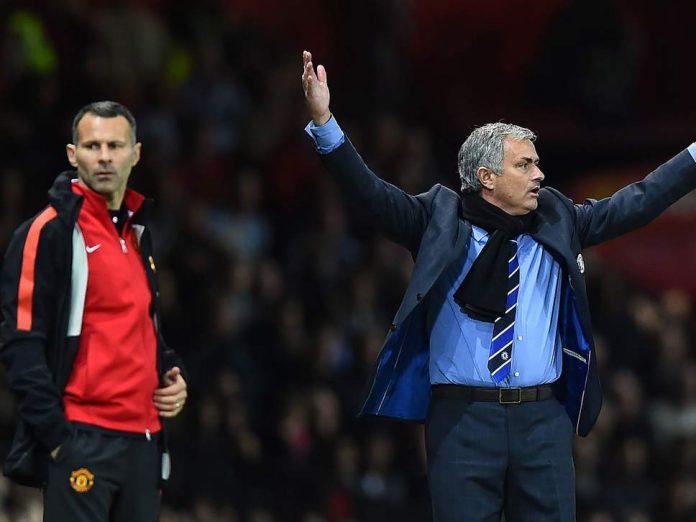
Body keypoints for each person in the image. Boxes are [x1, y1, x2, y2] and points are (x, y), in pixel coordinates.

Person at [300, 50, 696, 522]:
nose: (540, 175)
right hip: (462, 422)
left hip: (543, 421)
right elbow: (370, 195)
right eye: (525, 165)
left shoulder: (558, 219)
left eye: (537, 164)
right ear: (486, 177)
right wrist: (325, 123)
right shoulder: (437, 221)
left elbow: (641, 199)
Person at [0, 101, 188, 521]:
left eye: (115, 146)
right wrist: (57, 439)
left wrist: (173, 374)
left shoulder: (138, 235)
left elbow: (144, 332)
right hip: (82, 440)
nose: (104, 156)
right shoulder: (48, 233)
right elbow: (19, 342)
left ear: (135, 154)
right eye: (92, 146)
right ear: (73, 155)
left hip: (144, 442)